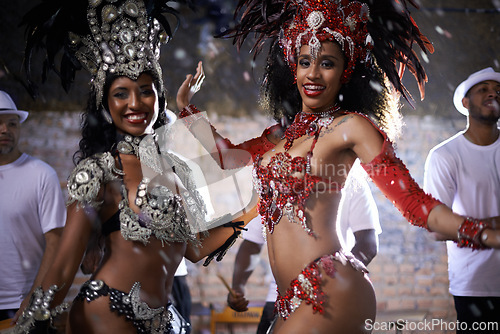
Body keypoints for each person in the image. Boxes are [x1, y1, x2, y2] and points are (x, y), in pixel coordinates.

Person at [176, 0, 500, 332]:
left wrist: (485, 234)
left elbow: (414, 204)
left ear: (345, 70)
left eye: (327, 63)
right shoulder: (277, 137)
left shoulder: (351, 127)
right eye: (305, 62)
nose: (313, 74)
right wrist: (186, 110)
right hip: (290, 299)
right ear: (293, 67)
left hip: (331, 286)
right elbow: (228, 160)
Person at [14, 0, 255, 333]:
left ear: (159, 97)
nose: (135, 103)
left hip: (165, 321)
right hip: (107, 315)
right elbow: (65, 264)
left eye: (145, 91)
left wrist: (258, 206)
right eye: (120, 94)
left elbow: (195, 249)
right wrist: (28, 322)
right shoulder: (96, 173)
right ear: (105, 103)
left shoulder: (176, 169)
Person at [227, 162, 381, 334]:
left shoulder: (352, 181)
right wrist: (238, 286)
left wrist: (333, 282)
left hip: (329, 299)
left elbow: (368, 245)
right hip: (281, 301)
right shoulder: (276, 184)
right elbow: (251, 244)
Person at [424, 67, 500, 333]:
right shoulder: (445, 156)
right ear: (465, 103)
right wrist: (494, 226)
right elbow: (435, 226)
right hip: (476, 285)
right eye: (484, 89)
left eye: (498, 90)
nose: (494, 93)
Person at [0, 90, 66, 324]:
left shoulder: (41, 175)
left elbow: (56, 242)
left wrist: (34, 297)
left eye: (12, 123)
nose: (5, 130)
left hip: (18, 305)